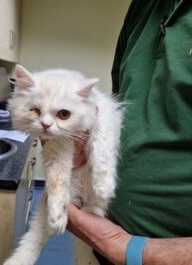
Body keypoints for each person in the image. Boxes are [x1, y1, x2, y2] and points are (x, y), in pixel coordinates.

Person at [67, 1, 192, 264]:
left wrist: (126, 248)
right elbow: (120, 102)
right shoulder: (143, 7)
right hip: (105, 240)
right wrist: (84, 137)